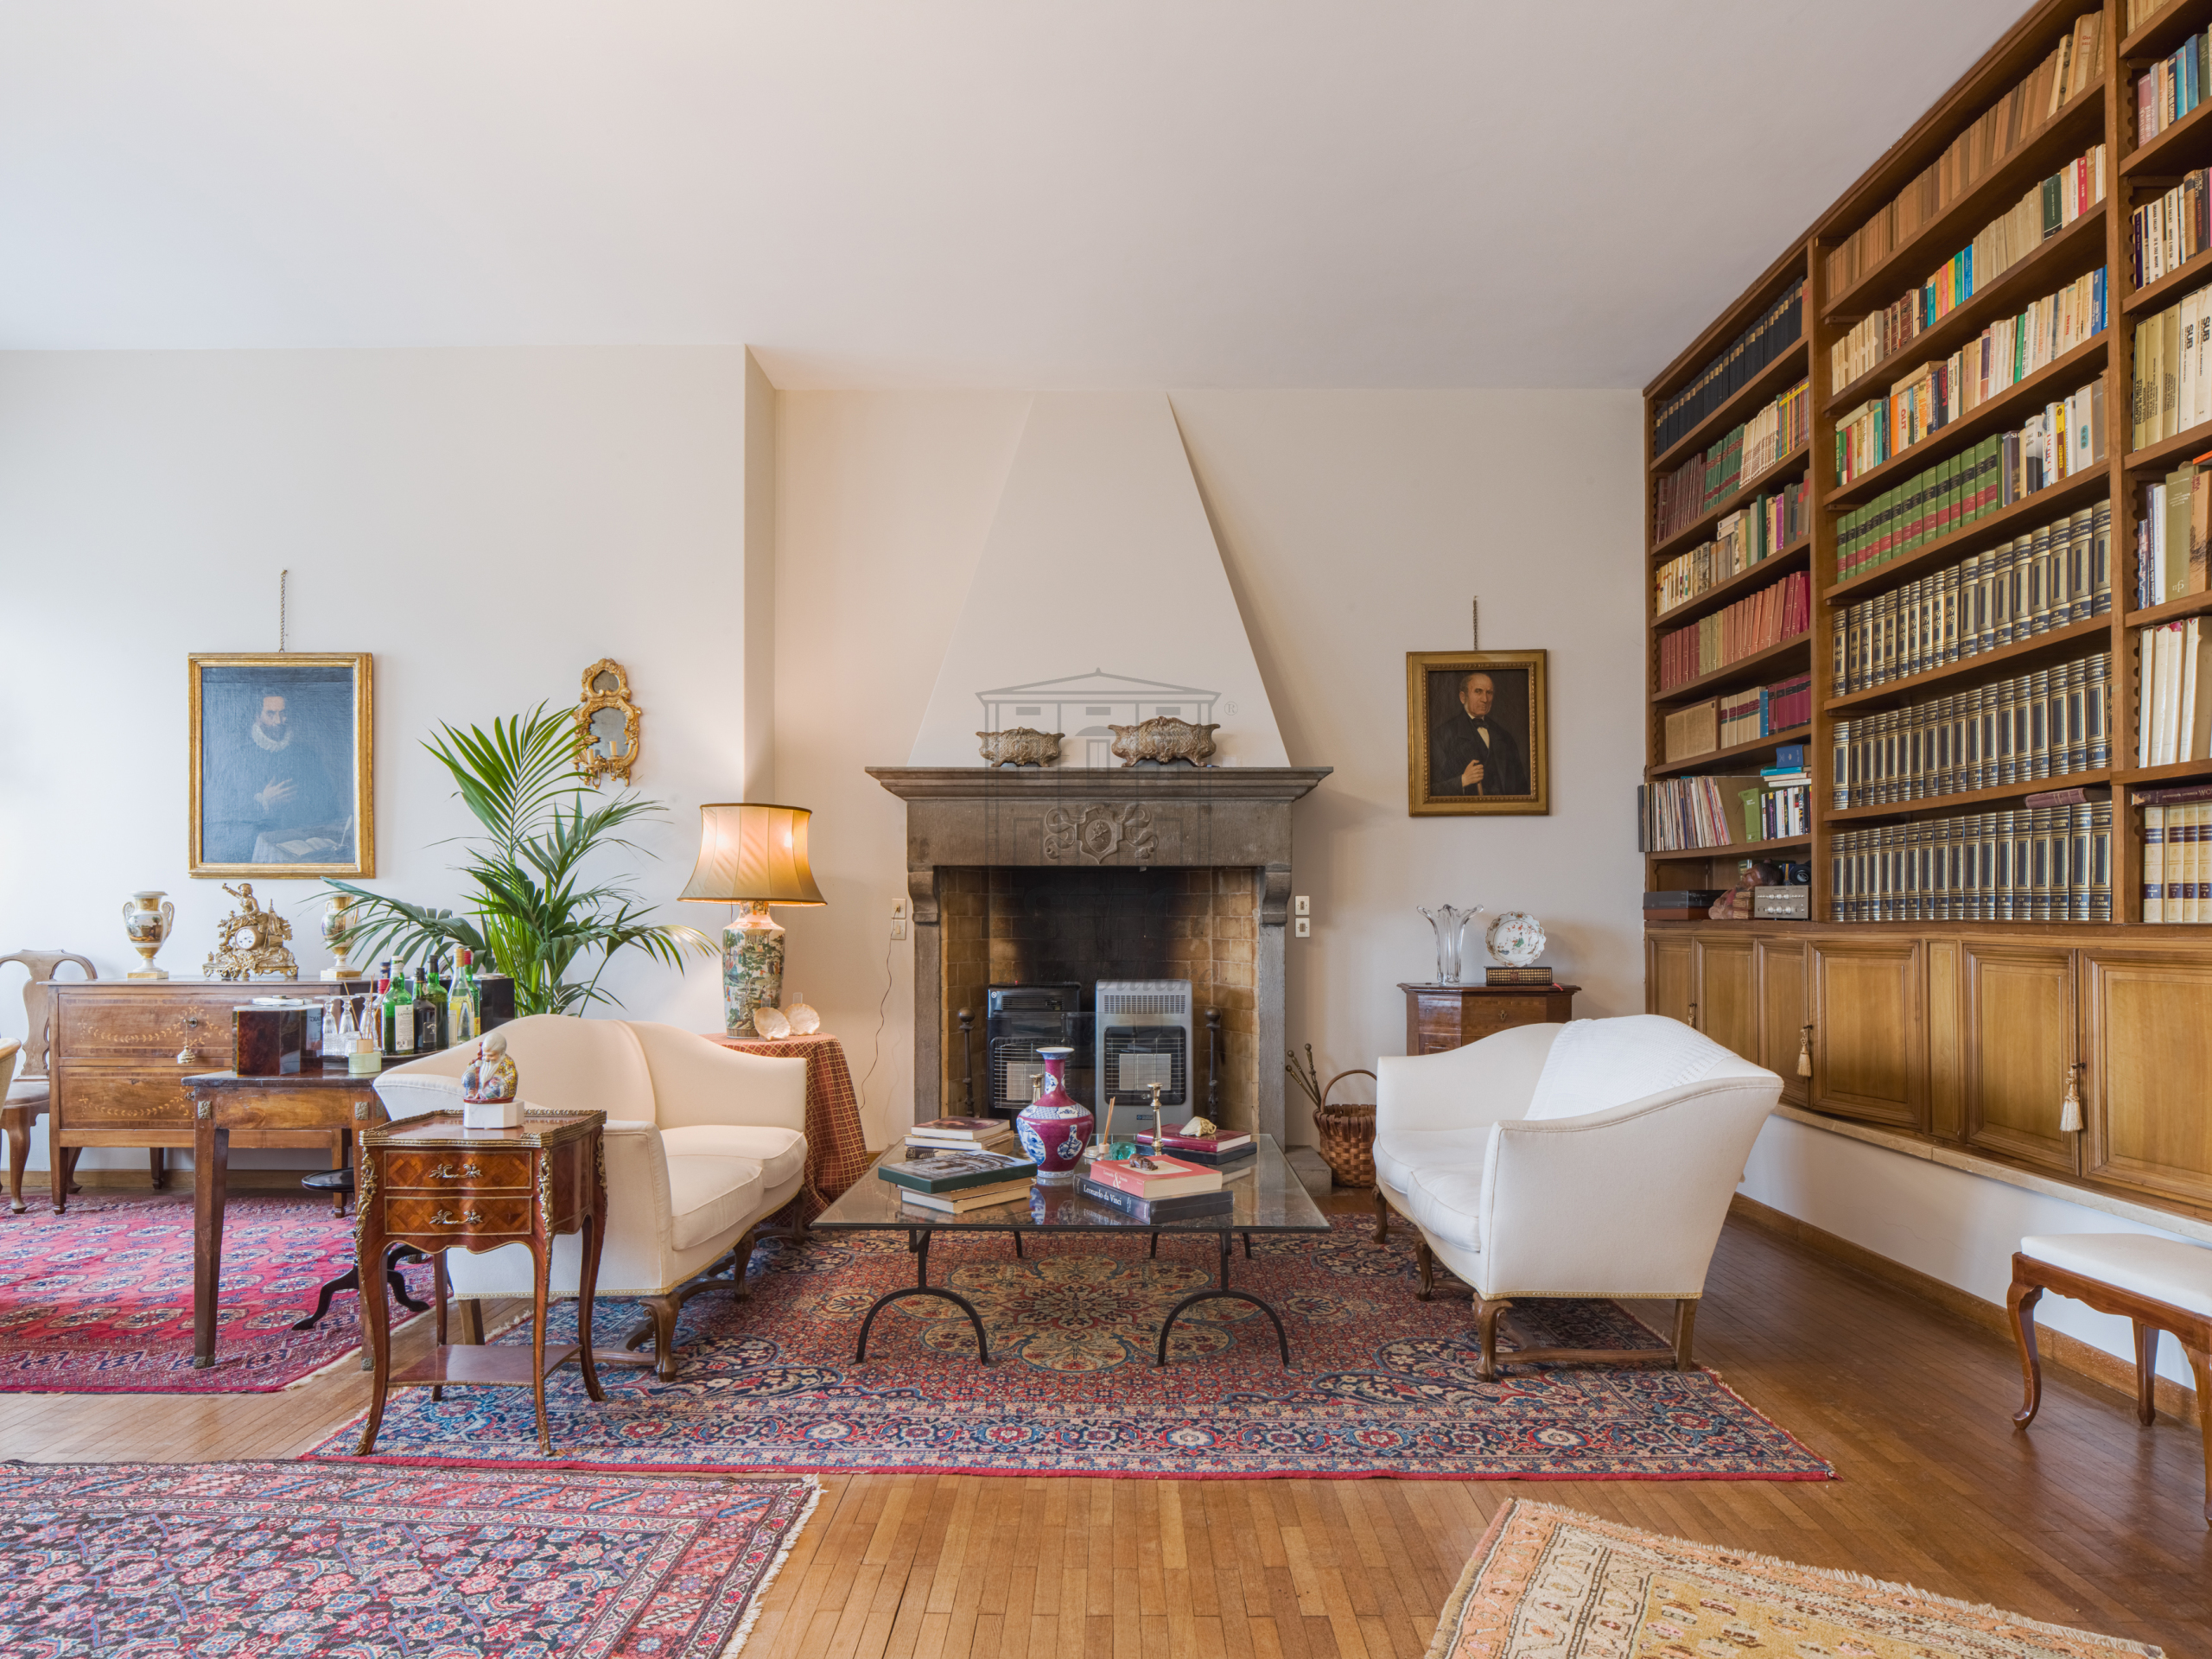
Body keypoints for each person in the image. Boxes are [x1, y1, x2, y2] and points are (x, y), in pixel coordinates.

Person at [204, 690, 349, 861]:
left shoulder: (307, 756)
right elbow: (219, 816)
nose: (278, 721)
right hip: (252, 853)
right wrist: (264, 801)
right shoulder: (235, 759)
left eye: (283, 713)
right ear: (258, 718)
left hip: (304, 853)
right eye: (270, 714)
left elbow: (329, 808)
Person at [1430, 671, 1529, 797]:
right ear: (1463, 697)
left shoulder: (1504, 737)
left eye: (1489, 693)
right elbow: (1429, 791)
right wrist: (1463, 780)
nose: (1485, 699)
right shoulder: (1441, 736)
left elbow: (1522, 790)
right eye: (1478, 691)